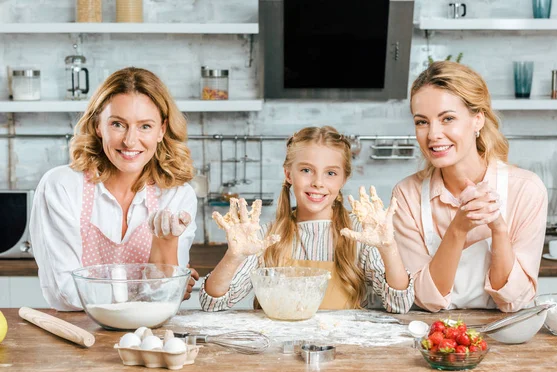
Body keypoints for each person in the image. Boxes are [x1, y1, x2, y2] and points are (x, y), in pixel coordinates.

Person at [30, 67, 200, 311]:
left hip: (151, 336)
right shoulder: (61, 187)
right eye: (118, 124)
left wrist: (166, 274)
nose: (130, 141)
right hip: (79, 335)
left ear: (162, 130)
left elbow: (166, 298)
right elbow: (65, 293)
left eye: (145, 126)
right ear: (98, 125)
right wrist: (153, 288)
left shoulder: (176, 195)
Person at [198, 126, 414, 313]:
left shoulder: (360, 237)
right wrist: (233, 257)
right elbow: (213, 304)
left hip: (341, 354)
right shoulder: (265, 238)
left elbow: (399, 304)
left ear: (343, 179)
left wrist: (389, 248)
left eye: (330, 173)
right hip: (278, 351)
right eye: (306, 170)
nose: (318, 182)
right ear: (289, 174)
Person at [392, 61, 547, 313]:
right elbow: (425, 298)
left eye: (448, 119)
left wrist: (497, 228)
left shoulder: (526, 190)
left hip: (505, 337)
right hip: (433, 340)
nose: (433, 134)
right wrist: (459, 228)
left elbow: (513, 301)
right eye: (422, 122)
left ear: (477, 120)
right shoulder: (407, 195)